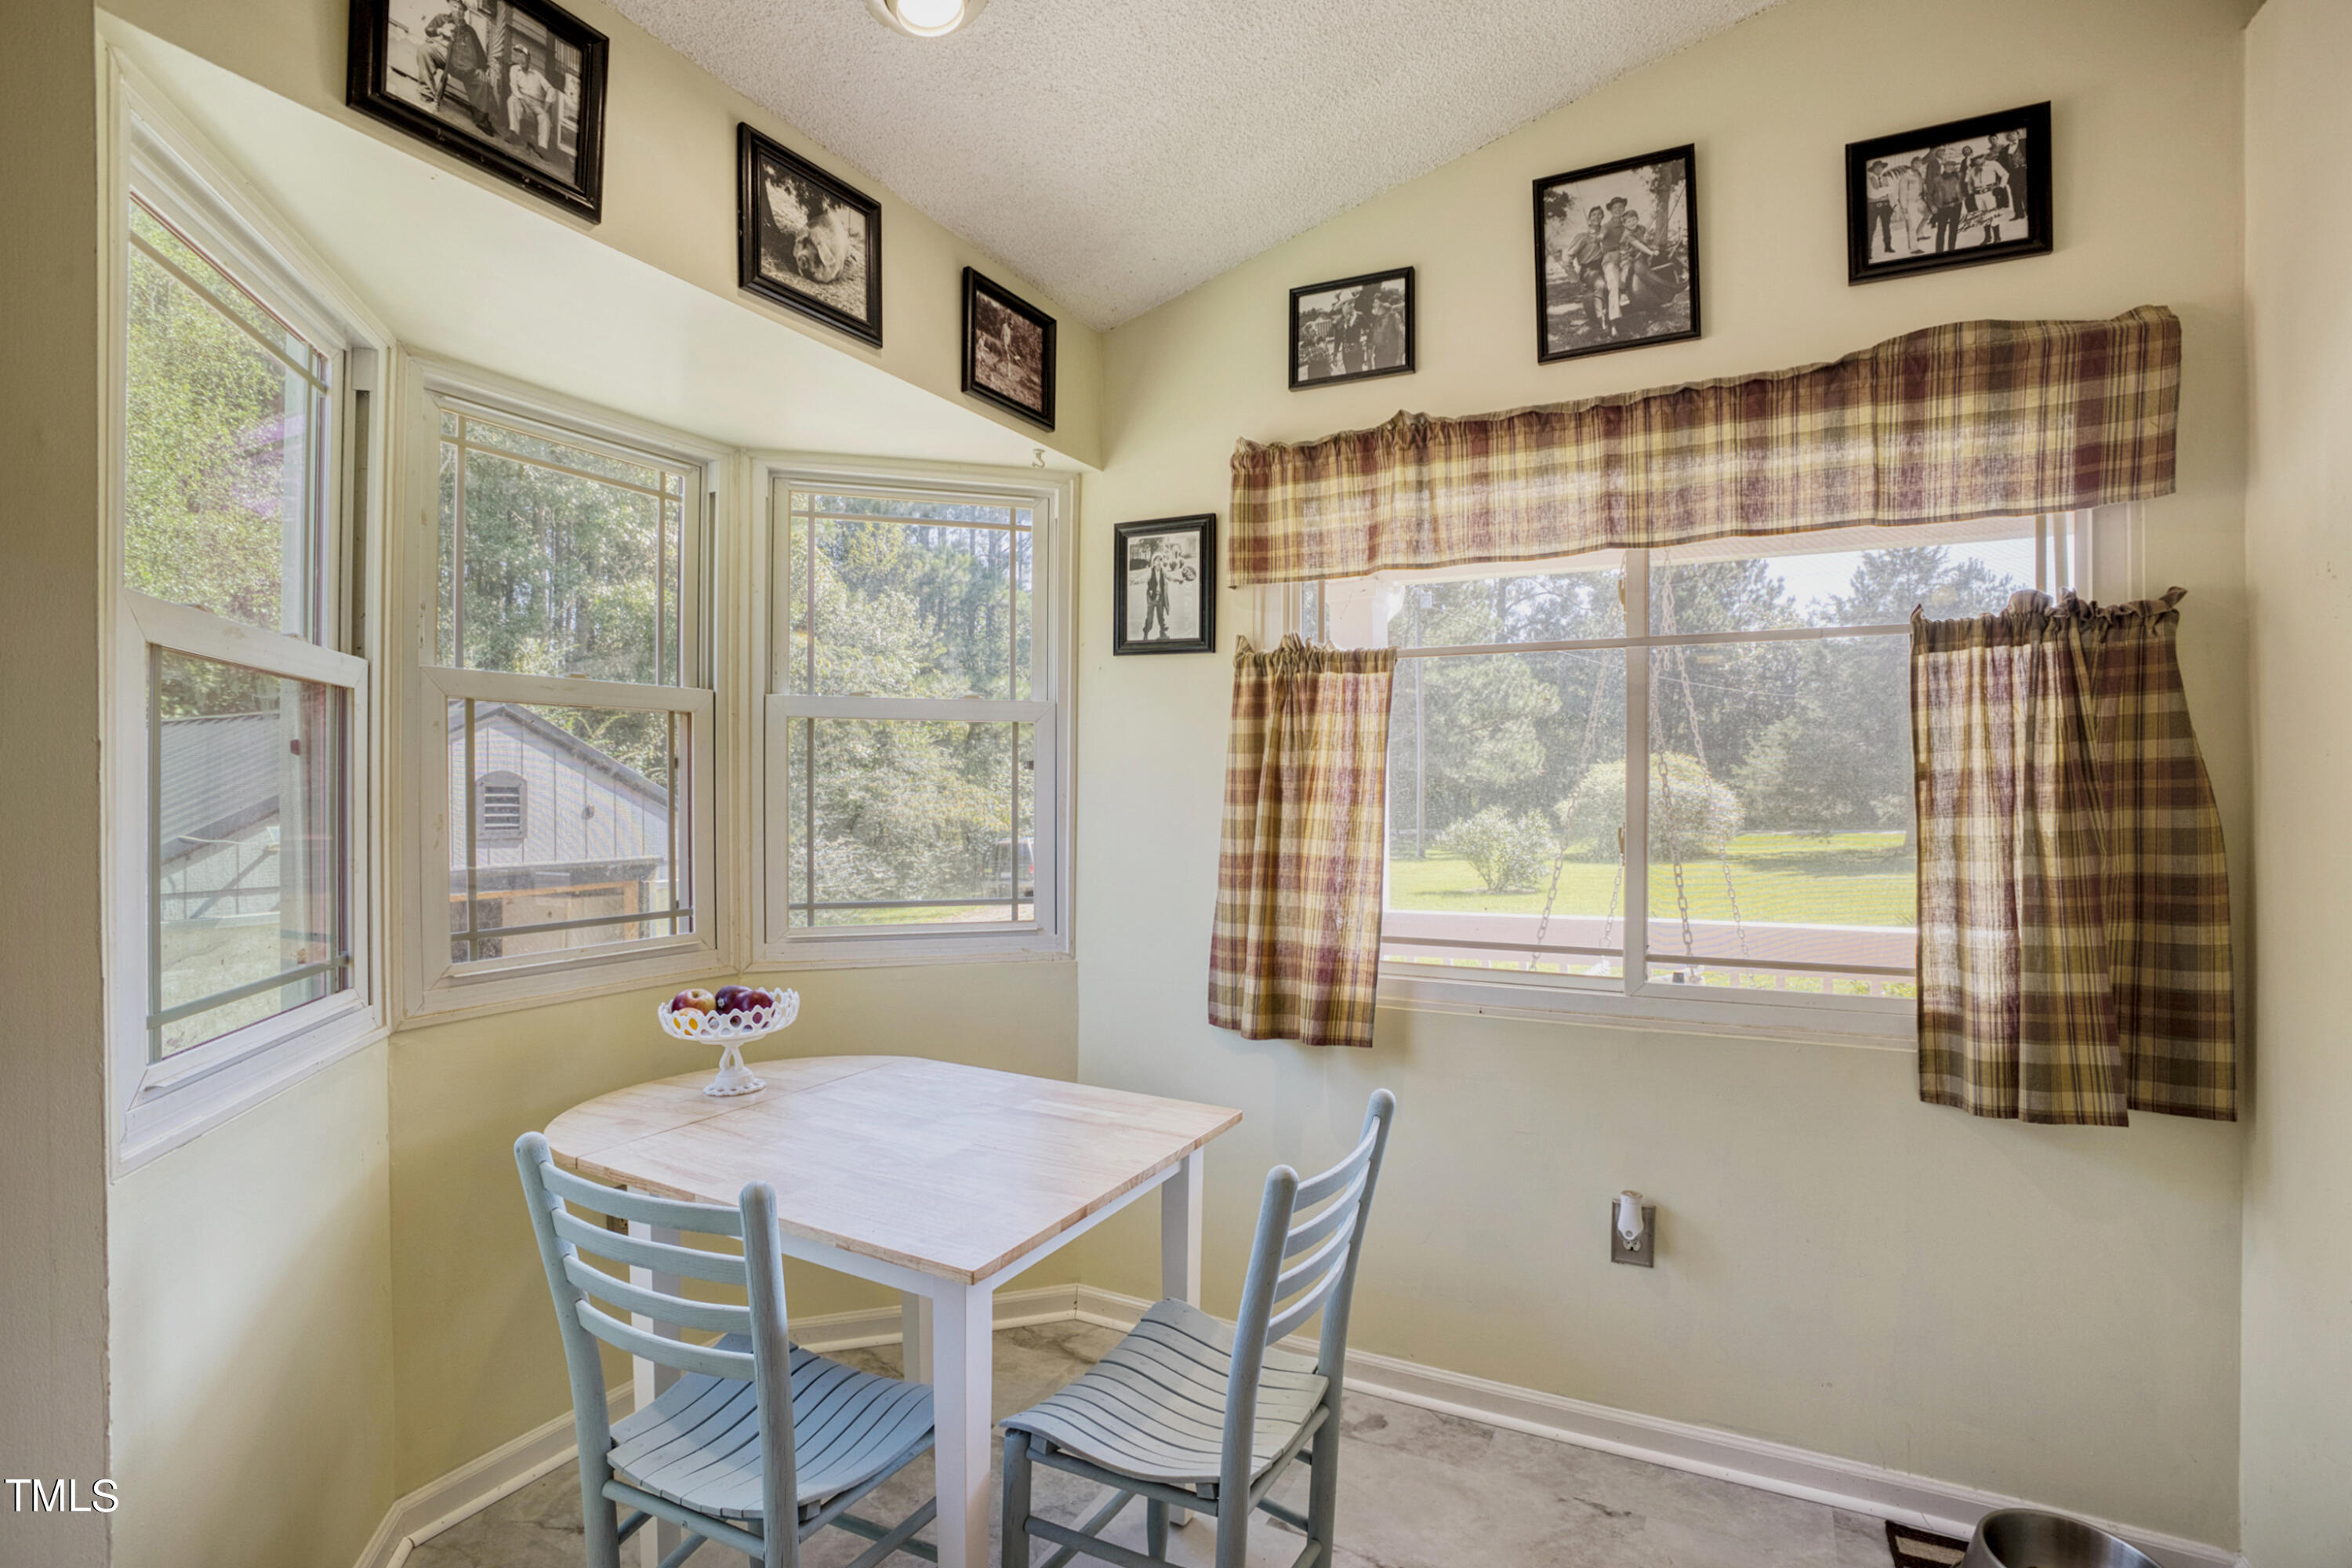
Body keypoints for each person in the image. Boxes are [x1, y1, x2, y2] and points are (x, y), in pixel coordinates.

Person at [423, 6, 499, 136]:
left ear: (464, 12)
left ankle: (481, 121)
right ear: (451, 7)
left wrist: (481, 68)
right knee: (424, 51)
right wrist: (441, 30)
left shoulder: (470, 31)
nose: (458, 11)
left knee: (483, 82)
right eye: (455, 7)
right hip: (447, 59)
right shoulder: (442, 18)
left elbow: (481, 53)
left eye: (461, 9)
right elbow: (429, 30)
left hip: (467, 68)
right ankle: (427, 92)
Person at [506, 48, 557, 158]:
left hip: (536, 103)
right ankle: (514, 133)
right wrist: (525, 105)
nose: (521, 61)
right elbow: (514, 88)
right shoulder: (514, 69)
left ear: (529, 59)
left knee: (544, 117)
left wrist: (546, 108)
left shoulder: (537, 74)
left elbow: (551, 89)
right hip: (521, 99)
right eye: (518, 57)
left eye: (523, 58)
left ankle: (543, 147)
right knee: (512, 100)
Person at [1925, 145, 1967, 252]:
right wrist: (1932, 206)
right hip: (1943, 207)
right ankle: (1939, 253)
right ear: (1944, 166)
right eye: (1948, 166)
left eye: (1952, 166)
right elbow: (1929, 195)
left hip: (1957, 206)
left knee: (1953, 230)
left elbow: (1967, 182)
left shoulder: (1958, 176)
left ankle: (1951, 251)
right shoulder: (1937, 179)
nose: (1950, 167)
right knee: (1941, 230)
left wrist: (1964, 196)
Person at [1965, 150, 2012, 243]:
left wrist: (2001, 187)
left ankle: (1997, 237)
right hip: (1978, 195)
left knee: (1992, 214)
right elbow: (1969, 183)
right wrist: (1970, 193)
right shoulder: (1973, 170)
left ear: (1984, 156)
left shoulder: (1993, 164)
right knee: (1983, 216)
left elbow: (2005, 174)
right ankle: (1988, 237)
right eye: (1975, 159)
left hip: (1990, 193)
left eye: (1980, 157)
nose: (1978, 160)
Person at [1864, 159, 1896, 260]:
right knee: (1871, 228)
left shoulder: (1887, 178)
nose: (1879, 169)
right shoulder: (1869, 180)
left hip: (1886, 206)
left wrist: (1880, 191)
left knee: (1886, 226)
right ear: (1873, 169)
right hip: (1873, 207)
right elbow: (1872, 194)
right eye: (1877, 168)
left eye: (1881, 167)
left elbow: (1892, 189)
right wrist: (1884, 191)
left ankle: (1888, 246)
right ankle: (1868, 251)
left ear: (1883, 168)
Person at [1140, 544, 1171, 641]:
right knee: (1150, 618)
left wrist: (1179, 580)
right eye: (1157, 560)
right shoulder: (1150, 571)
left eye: (1161, 560)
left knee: (1161, 616)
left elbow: (1170, 577)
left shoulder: (1163, 571)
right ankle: (1146, 633)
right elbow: (1143, 578)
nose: (1159, 562)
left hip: (1160, 598)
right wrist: (1134, 581)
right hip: (1151, 597)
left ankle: (1163, 632)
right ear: (1153, 562)